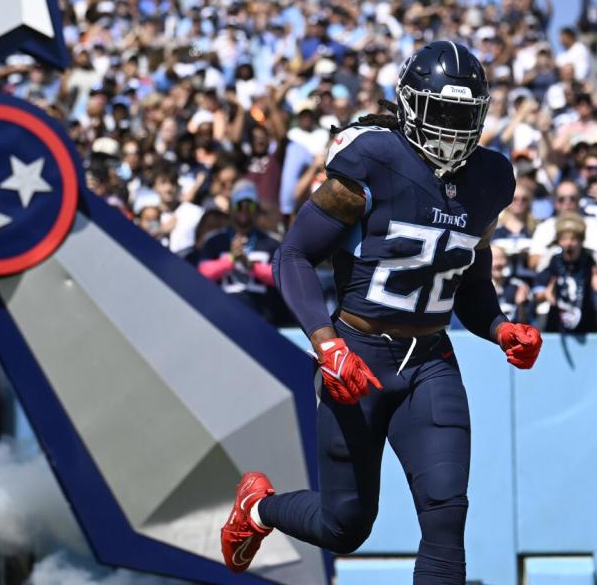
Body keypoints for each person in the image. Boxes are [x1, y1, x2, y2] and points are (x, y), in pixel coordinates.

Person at [220, 41, 543, 584]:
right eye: (441, 113)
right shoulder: (372, 159)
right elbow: (293, 255)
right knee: (346, 525)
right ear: (410, 106)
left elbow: (470, 281)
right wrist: (327, 344)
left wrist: (498, 325)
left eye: (465, 117)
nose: (452, 130)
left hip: (430, 359)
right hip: (359, 356)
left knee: (447, 515)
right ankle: (258, 508)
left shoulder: (490, 179)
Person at [197, 180, 283, 323]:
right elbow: (202, 273)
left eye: (249, 205)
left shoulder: (271, 242)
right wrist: (231, 260)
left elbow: (281, 278)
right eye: (239, 205)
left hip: (260, 316)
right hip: (222, 315)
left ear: (256, 208)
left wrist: (250, 266)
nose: (244, 210)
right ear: (231, 208)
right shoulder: (215, 241)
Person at [533, 213, 597, 333]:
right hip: (556, 328)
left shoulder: (593, 260)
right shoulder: (551, 259)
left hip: (588, 328)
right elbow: (537, 295)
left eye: (573, 239)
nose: (568, 243)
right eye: (564, 239)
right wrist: (546, 295)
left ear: (581, 240)